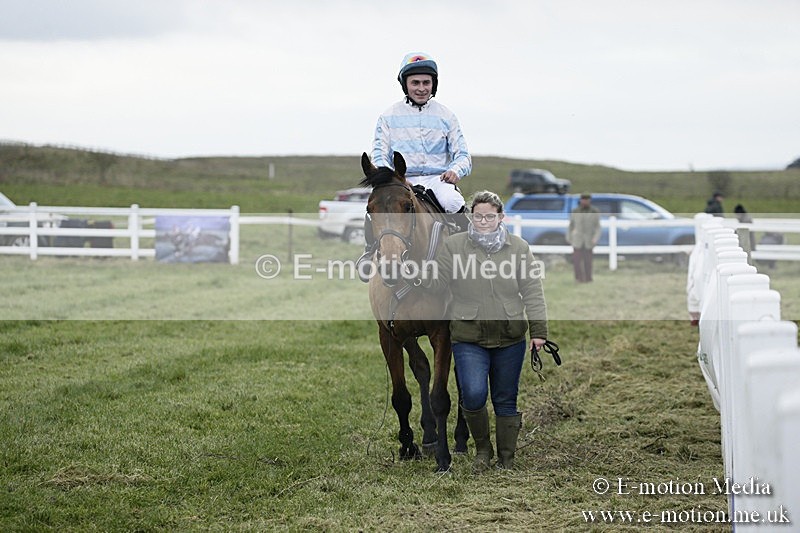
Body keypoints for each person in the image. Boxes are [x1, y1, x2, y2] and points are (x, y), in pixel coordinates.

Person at [418, 190, 548, 471]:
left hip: (510, 336)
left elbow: (532, 291)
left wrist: (538, 331)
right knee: (474, 394)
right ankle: (482, 451)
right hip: (468, 337)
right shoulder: (453, 247)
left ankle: (507, 458)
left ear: (501, 217)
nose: (484, 221)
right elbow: (438, 282)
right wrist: (417, 272)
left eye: (490, 216)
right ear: (471, 217)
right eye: (478, 216)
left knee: (505, 397)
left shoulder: (519, 248)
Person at [371, 52, 472, 226]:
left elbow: (463, 155)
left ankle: (468, 247)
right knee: (376, 206)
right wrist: (393, 178)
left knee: (453, 201)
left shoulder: (447, 116)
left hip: (437, 180)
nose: (421, 88)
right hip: (401, 181)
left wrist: (455, 170)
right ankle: (370, 251)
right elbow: (379, 156)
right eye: (415, 83)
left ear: (434, 84)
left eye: (426, 82)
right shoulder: (388, 117)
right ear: (405, 84)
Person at [566, 192, 601, 283]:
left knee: (588, 261)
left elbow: (597, 227)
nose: (585, 202)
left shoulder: (594, 211)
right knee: (577, 261)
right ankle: (578, 278)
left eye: (587, 200)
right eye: (583, 200)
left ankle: (588, 278)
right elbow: (571, 226)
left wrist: (595, 237)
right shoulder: (575, 211)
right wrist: (569, 238)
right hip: (577, 239)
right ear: (581, 200)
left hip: (589, 240)